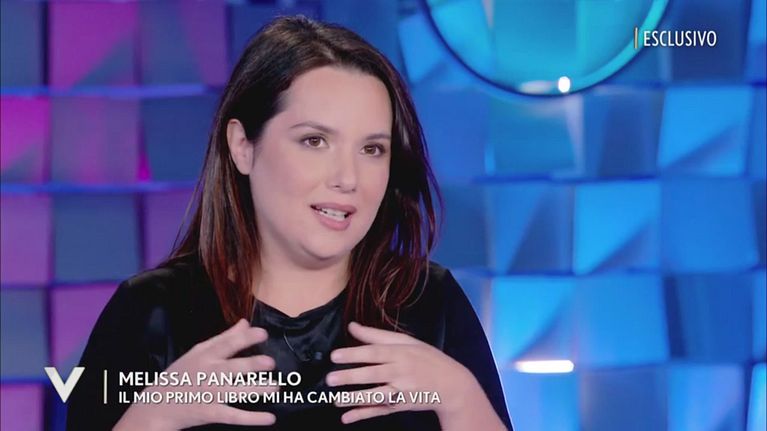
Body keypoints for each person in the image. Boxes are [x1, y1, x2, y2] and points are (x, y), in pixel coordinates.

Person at [66, 15, 513, 431]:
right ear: (243, 146)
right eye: (315, 141)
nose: (348, 178)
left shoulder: (429, 303)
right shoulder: (151, 311)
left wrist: (460, 397)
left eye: (372, 149)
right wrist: (153, 416)